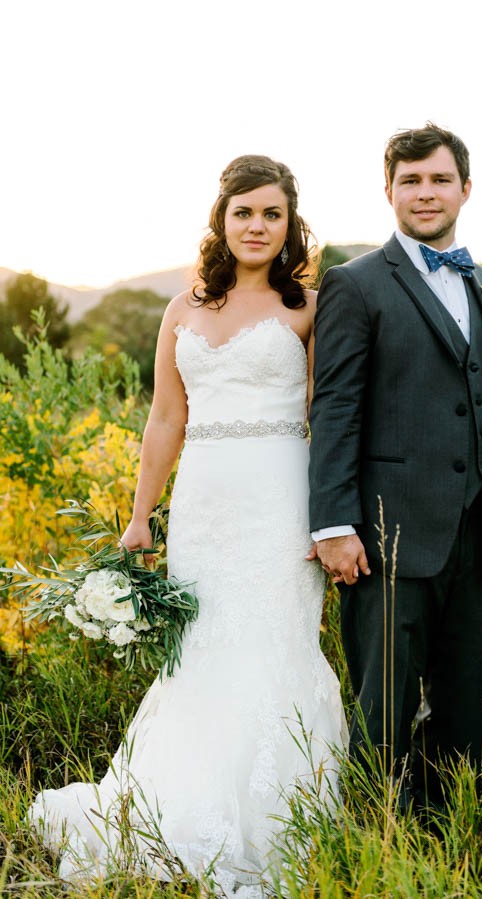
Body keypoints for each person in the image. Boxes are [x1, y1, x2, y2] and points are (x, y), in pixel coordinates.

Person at [29, 155, 347, 895]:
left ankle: (279, 814)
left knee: (276, 639)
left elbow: (328, 414)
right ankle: (181, 801)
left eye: (272, 214)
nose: (258, 226)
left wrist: (333, 513)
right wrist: (141, 514)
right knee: (201, 647)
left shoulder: (309, 306)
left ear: (290, 223)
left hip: (282, 498)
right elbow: (166, 417)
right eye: (244, 212)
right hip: (204, 501)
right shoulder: (183, 309)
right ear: (222, 220)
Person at [308, 123, 482, 815]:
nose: (425, 192)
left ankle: (446, 836)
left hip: (478, 531)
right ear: (387, 190)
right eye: (410, 180)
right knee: (382, 709)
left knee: (461, 706)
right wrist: (332, 521)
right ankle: (366, 842)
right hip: (389, 535)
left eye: (439, 179)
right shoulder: (354, 285)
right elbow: (335, 409)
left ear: (465, 188)